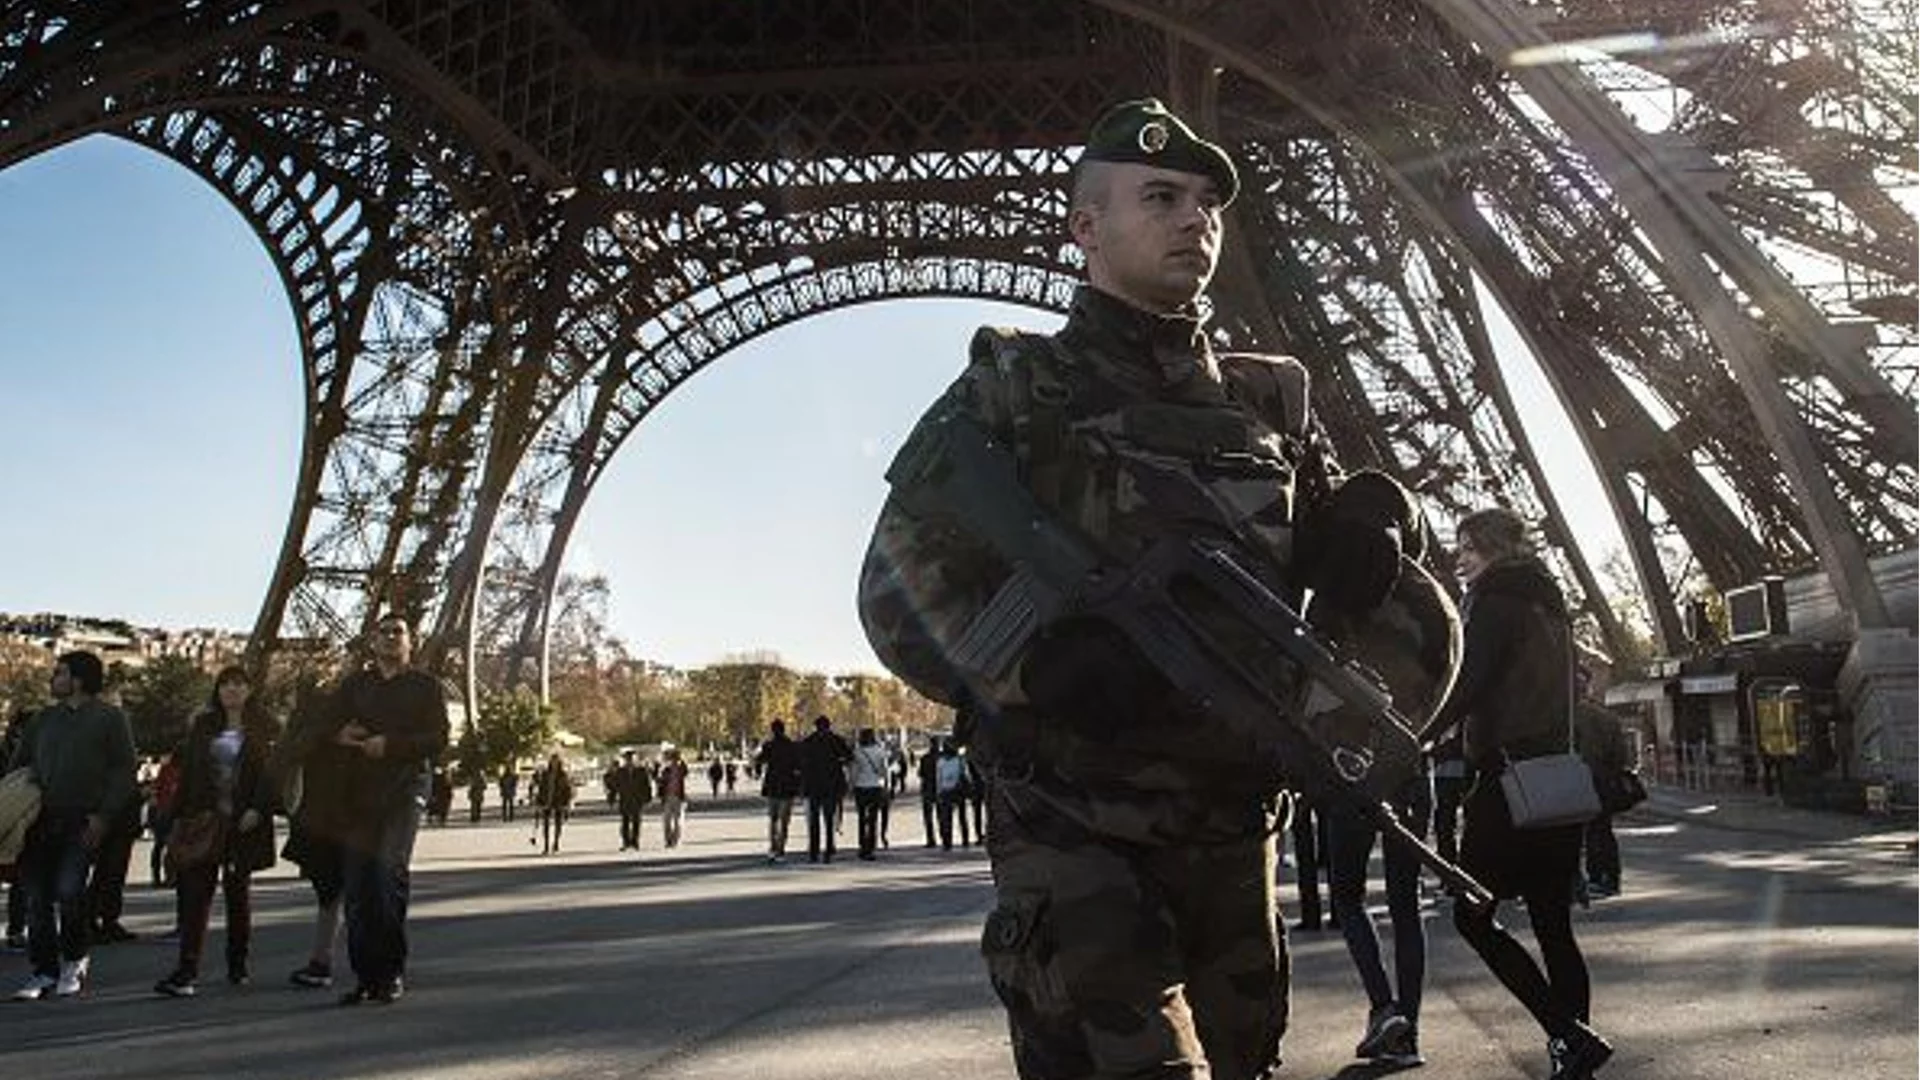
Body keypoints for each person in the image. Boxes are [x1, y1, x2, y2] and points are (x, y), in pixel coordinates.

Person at [857, 98, 1444, 1078]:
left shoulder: (1269, 401)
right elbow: (895, 590)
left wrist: (1379, 533)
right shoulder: (1009, 390)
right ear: (1085, 226)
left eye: (1207, 203)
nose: (1194, 220)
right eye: (1162, 196)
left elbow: (1361, 571)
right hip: (1073, 828)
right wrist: (1036, 669)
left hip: (1235, 827)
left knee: (1242, 1060)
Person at [1418, 507, 1613, 1080]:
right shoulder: (1550, 604)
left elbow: (1469, 685)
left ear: (1493, 549)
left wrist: (1421, 736)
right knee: (1554, 924)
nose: (1460, 558)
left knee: (1472, 917)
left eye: (1468, 548)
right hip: (1557, 778)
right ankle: (1573, 1052)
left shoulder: (1494, 599)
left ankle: (1567, 1034)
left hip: (1507, 781)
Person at [327, 613, 449, 1006]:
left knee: (387, 873)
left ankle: (391, 971)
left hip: (405, 787)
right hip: (359, 792)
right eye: (384, 632)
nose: (391, 637)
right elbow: (323, 724)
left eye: (399, 632)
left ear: (411, 642)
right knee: (359, 886)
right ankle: (365, 976)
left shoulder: (426, 686)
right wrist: (339, 734)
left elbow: (439, 738)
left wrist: (390, 746)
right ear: (372, 641)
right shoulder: (354, 686)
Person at [8, 651, 138, 1000]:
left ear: (78, 679)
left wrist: (104, 815)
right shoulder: (42, 720)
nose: (53, 679)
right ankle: (43, 970)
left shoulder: (111, 719)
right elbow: (20, 765)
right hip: (40, 819)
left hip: (83, 818)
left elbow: (125, 769)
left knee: (70, 891)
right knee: (37, 897)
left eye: (60, 673)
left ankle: (74, 959)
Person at [153, 666, 280, 997]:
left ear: (250, 690)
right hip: (204, 818)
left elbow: (272, 775)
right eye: (226, 684)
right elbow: (189, 775)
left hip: (243, 821)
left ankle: (237, 963)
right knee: (196, 895)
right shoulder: (203, 726)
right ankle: (186, 969)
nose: (232, 690)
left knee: (238, 894)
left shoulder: (266, 728)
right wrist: (172, 817)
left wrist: (259, 808)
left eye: (239, 684)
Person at [274, 675, 353, 991]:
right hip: (333, 813)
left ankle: (324, 959)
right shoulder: (341, 718)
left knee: (332, 892)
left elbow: (286, 753)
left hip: (325, 813)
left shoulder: (308, 721)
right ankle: (330, 959)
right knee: (338, 891)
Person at [1574, 661, 1630, 900]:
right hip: (1603, 780)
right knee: (1602, 830)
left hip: (1576, 779)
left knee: (1581, 832)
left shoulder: (1567, 716)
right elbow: (1621, 754)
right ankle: (1609, 877)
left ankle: (1593, 876)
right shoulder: (1607, 717)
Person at [797, 716, 850, 863]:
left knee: (814, 820)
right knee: (829, 819)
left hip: (813, 786)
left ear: (816, 726)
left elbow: (802, 764)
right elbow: (848, 756)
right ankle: (828, 850)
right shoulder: (837, 740)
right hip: (831, 786)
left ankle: (814, 852)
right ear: (829, 726)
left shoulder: (808, 742)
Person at [754, 721, 803, 863]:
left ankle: (772, 848)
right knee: (784, 821)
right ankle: (781, 849)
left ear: (772, 730)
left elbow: (759, 760)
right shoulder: (792, 746)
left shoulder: (768, 745)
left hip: (772, 786)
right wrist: (799, 785)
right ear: (784, 729)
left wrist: (757, 773)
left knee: (773, 819)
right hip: (787, 787)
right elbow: (799, 767)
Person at [850, 728, 891, 860]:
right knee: (873, 818)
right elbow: (884, 770)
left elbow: (854, 772)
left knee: (862, 818)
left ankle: (862, 845)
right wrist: (886, 785)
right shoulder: (880, 751)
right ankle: (871, 846)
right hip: (875, 786)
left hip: (861, 787)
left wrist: (851, 785)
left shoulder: (857, 752)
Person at [610, 749, 654, 852]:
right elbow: (615, 786)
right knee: (625, 822)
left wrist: (648, 798)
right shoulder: (620, 772)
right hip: (625, 799)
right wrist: (612, 798)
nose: (630, 761)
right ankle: (626, 842)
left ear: (636, 759)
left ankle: (635, 842)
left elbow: (646, 785)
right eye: (628, 759)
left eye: (632, 759)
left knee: (636, 821)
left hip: (637, 799)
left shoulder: (641, 771)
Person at [533, 753, 574, 855]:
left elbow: (567, 789)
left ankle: (556, 842)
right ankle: (546, 845)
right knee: (545, 824)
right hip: (546, 801)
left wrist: (567, 802)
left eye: (556, 761)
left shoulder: (563, 774)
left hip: (559, 801)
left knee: (558, 823)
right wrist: (538, 802)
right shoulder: (546, 774)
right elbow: (541, 788)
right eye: (552, 761)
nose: (554, 763)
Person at [657, 746, 690, 849]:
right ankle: (668, 840)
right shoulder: (665, 770)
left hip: (679, 797)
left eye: (675, 758)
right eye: (673, 758)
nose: (674, 761)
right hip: (667, 797)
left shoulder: (681, 769)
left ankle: (676, 840)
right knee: (667, 821)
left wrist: (681, 759)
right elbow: (659, 780)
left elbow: (685, 770)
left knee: (678, 821)